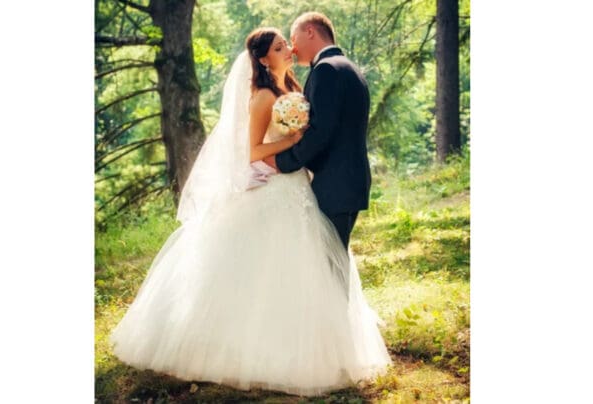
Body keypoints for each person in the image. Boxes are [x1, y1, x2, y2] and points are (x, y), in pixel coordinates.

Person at [109, 25, 392, 397]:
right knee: (265, 267)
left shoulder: (292, 88)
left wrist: (298, 143)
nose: (288, 49)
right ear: (262, 58)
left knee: (306, 267)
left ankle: (309, 341)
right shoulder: (261, 97)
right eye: (279, 46)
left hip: (299, 187)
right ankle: (252, 347)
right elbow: (251, 151)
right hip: (277, 184)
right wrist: (291, 143)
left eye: (287, 43)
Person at [264, 12, 372, 250]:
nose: (292, 49)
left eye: (293, 39)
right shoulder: (348, 67)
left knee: (328, 266)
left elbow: (320, 132)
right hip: (348, 182)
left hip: (335, 184)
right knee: (332, 264)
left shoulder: (326, 70)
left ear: (310, 32)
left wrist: (283, 162)